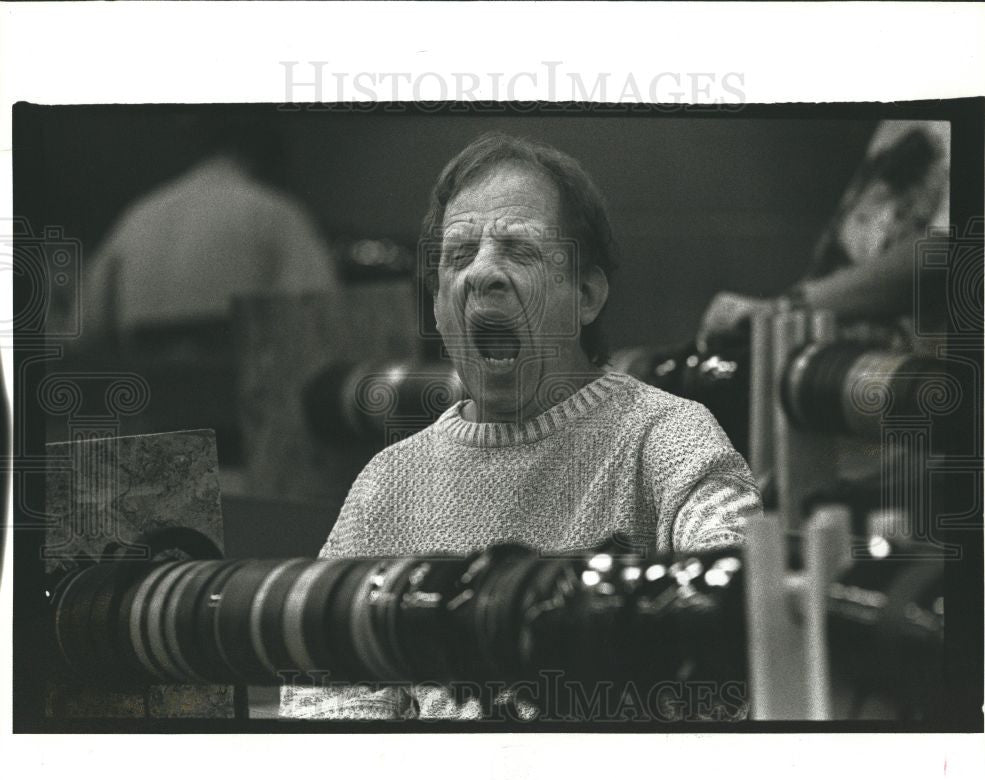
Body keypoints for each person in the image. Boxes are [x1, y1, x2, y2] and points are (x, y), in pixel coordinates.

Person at [281, 131, 761, 720]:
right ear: (437, 306)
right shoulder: (388, 482)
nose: (481, 274)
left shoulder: (666, 436)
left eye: (519, 250)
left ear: (586, 294)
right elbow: (324, 691)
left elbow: (740, 604)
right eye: (457, 257)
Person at [697, 120, 950, 355]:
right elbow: (843, 261)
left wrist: (783, 309)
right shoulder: (896, 123)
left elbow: (945, 252)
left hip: (920, 385)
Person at [82, 126, 337, 349]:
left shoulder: (138, 215)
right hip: (232, 391)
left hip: (147, 394)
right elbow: (319, 319)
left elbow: (85, 326)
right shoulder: (273, 212)